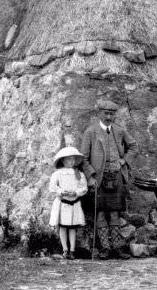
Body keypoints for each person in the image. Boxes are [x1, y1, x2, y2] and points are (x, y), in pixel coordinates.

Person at [80, 99, 137, 258]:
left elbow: (134, 147)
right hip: (99, 178)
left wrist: (124, 160)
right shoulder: (90, 132)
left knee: (115, 213)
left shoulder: (119, 131)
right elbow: (83, 158)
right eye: (106, 113)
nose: (109, 117)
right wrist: (90, 176)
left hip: (117, 176)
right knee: (100, 214)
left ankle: (117, 248)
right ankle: (105, 248)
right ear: (100, 113)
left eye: (112, 114)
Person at [48, 146, 88, 259]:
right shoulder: (58, 173)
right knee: (63, 226)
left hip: (74, 203)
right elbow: (52, 187)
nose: (71, 162)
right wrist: (61, 191)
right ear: (63, 160)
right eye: (68, 159)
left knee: (72, 227)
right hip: (62, 203)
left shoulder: (79, 174)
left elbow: (84, 187)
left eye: (73, 159)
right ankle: (65, 249)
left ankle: (72, 250)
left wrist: (75, 193)